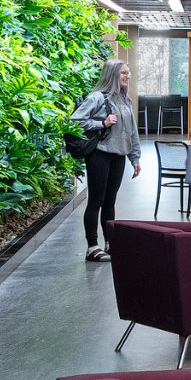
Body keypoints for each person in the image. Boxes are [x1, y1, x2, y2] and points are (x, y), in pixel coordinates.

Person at [70, 59, 142, 261]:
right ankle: (92, 247)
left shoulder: (125, 99)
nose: (128, 76)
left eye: (128, 72)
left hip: (118, 156)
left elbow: (131, 131)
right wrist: (101, 123)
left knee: (110, 201)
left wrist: (134, 157)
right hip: (99, 155)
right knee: (96, 201)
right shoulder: (97, 98)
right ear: (112, 75)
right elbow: (74, 121)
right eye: (124, 73)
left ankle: (110, 243)